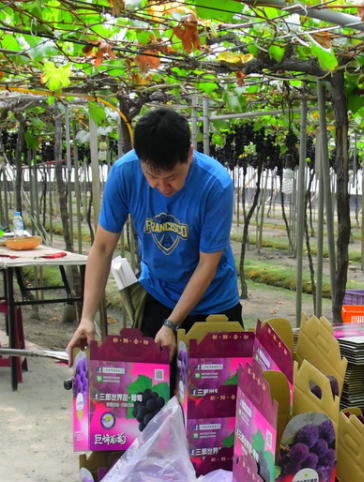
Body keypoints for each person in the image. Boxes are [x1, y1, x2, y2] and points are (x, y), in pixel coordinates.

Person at [66, 107, 241, 357]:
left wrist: (172, 324)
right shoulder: (124, 173)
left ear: (189, 155)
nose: (161, 187)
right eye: (151, 176)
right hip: (159, 295)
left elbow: (207, 264)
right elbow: (103, 248)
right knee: (151, 390)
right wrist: (86, 318)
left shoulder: (215, 184)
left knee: (220, 391)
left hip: (214, 302)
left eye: (171, 178)